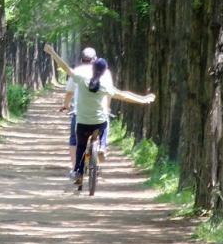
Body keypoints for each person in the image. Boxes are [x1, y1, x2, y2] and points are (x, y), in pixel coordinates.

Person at [44, 44, 155, 183]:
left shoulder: (81, 79)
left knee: (80, 146)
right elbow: (124, 95)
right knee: (105, 122)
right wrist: (143, 100)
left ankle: (78, 171)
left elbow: (66, 68)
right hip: (99, 121)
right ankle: (102, 146)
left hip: (82, 121)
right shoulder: (104, 86)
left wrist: (53, 53)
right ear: (103, 71)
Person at [60, 47, 112, 175]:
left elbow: (69, 92)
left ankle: (76, 169)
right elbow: (110, 94)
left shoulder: (77, 72)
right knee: (104, 127)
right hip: (100, 114)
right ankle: (102, 147)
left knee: (75, 140)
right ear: (95, 59)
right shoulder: (105, 72)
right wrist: (107, 107)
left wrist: (66, 105)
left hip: (80, 114)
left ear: (81, 59)